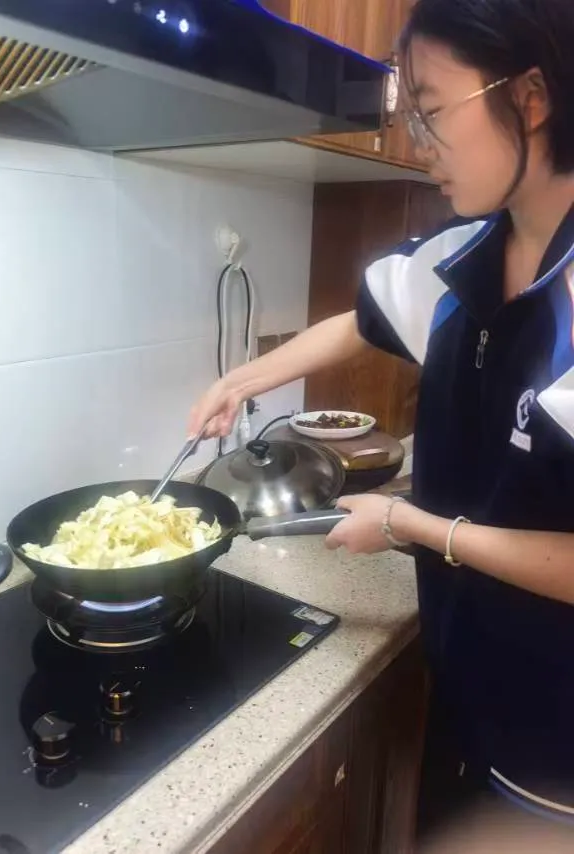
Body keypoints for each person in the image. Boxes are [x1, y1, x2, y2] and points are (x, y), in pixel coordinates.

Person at [189, 0, 574, 841]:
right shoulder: (468, 251)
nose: (417, 143)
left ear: (533, 96)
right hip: (467, 696)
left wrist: (409, 525)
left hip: (555, 754)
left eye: (432, 111)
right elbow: (362, 320)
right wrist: (240, 381)